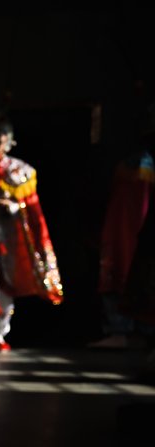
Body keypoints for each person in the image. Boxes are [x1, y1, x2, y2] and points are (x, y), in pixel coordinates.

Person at [0, 115, 63, 362]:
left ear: (10, 140)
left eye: (0, 136)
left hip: (9, 240)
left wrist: (13, 207)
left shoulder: (22, 171)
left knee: (3, 288)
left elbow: (31, 210)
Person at [93, 113, 154, 348]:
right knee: (123, 270)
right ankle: (123, 329)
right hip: (132, 233)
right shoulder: (137, 166)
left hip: (136, 233)